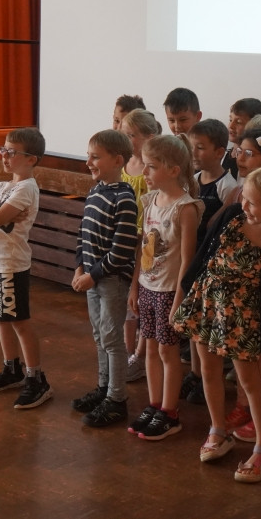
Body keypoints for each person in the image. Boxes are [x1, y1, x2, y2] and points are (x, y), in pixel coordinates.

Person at [173, 164, 261, 483]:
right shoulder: (232, 216)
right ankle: (218, 430)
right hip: (208, 306)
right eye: (244, 197)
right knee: (208, 370)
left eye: (252, 202)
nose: (244, 205)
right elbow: (202, 259)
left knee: (250, 382)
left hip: (244, 321)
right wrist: (184, 298)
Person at [127, 135, 203, 440]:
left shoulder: (185, 209)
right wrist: (135, 287)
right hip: (147, 287)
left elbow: (187, 260)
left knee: (167, 351)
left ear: (173, 170)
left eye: (152, 167)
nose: (145, 172)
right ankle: (155, 404)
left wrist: (179, 300)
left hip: (170, 291)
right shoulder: (150, 201)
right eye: (145, 166)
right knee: (150, 348)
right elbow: (143, 249)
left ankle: (170, 413)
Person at [0, 127, 53, 410]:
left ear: (31, 159)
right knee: (2, 319)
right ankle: (12, 369)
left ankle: (36, 378)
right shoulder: (1, 187)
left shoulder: (26, 188)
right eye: (3, 150)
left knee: (19, 321)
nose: (5, 156)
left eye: (12, 152)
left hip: (9, 264)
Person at [70, 130, 140, 427]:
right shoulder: (95, 191)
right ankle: (103, 388)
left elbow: (122, 250)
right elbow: (83, 234)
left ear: (117, 161)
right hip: (92, 277)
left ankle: (117, 399)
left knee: (112, 339)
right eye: (89, 156)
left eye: (95, 157)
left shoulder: (124, 198)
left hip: (111, 280)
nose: (89, 162)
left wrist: (93, 275)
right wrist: (80, 267)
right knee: (100, 335)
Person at [179, 118, 237, 405]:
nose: (194, 153)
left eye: (200, 148)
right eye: (192, 147)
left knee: (206, 323)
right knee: (193, 321)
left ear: (219, 152)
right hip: (192, 259)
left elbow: (222, 229)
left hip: (211, 264)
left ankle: (207, 376)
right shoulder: (192, 181)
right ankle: (195, 372)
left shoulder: (228, 186)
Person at [120, 108, 161, 380]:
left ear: (149, 137)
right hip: (125, 238)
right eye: (124, 134)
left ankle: (140, 353)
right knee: (128, 301)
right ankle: (127, 353)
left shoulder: (149, 170)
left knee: (141, 300)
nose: (126, 140)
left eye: (131, 135)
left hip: (145, 238)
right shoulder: (124, 165)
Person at [224, 97, 261, 178]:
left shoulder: (254, 164)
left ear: (255, 127)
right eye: (230, 120)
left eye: (239, 122)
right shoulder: (222, 156)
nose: (231, 126)